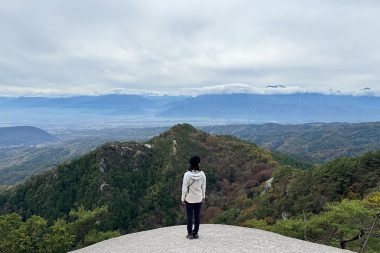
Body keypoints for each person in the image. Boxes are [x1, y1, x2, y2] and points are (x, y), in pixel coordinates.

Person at [181, 155, 206, 239]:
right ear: (198, 163)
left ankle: (190, 234)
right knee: (197, 216)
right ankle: (196, 233)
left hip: (189, 199)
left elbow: (184, 188)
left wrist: (183, 198)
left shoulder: (187, 175)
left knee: (189, 216)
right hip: (198, 198)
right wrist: (203, 196)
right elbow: (203, 187)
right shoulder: (202, 174)